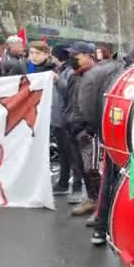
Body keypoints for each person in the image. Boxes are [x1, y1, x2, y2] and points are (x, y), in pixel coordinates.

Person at [77, 42, 125, 229]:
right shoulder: (122, 70)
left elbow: (85, 103)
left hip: (101, 128)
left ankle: (101, 215)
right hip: (109, 128)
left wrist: (92, 126)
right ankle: (105, 214)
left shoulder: (94, 73)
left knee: (101, 171)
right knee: (105, 172)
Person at [65, 42, 102, 216]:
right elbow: (69, 102)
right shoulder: (73, 76)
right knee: (81, 168)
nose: (72, 60)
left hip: (89, 132)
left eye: (76, 56)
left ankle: (101, 204)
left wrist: (89, 127)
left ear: (89, 56)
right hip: (73, 128)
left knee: (93, 169)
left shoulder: (97, 76)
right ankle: (91, 199)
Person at [50, 44, 83, 196]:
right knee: (64, 153)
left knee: (71, 155)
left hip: (66, 119)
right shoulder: (63, 70)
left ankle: (73, 186)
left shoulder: (70, 73)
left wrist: (57, 81)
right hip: (60, 117)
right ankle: (64, 182)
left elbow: (68, 93)